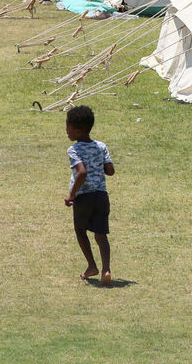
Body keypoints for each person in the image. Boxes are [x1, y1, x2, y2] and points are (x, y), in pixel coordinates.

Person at [64, 106, 114, 285]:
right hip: (101, 196)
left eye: (67, 127)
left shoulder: (74, 149)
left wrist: (71, 194)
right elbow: (110, 170)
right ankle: (106, 269)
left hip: (84, 197)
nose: (66, 130)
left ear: (77, 130)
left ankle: (92, 266)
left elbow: (82, 173)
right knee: (101, 235)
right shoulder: (101, 146)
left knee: (80, 230)